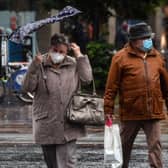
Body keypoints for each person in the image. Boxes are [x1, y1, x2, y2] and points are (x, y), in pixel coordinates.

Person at [22, 33, 92, 168]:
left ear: (67, 52)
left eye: (62, 52)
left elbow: (87, 79)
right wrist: (33, 67)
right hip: (46, 122)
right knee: (52, 164)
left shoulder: (73, 63)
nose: (58, 54)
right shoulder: (39, 63)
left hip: (69, 121)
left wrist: (79, 56)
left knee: (67, 163)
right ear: (50, 48)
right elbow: (27, 88)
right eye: (55, 51)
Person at [104, 22, 168, 168]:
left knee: (155, 146)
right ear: (134, 40)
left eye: (149, 37)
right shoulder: (120, 58)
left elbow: (166, 86)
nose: (148, 41)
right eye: (145, 38)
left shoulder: (157, 56)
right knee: (123, 148)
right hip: (130, 112)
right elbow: (111, 87)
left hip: (154, 112)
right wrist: (108, 110)